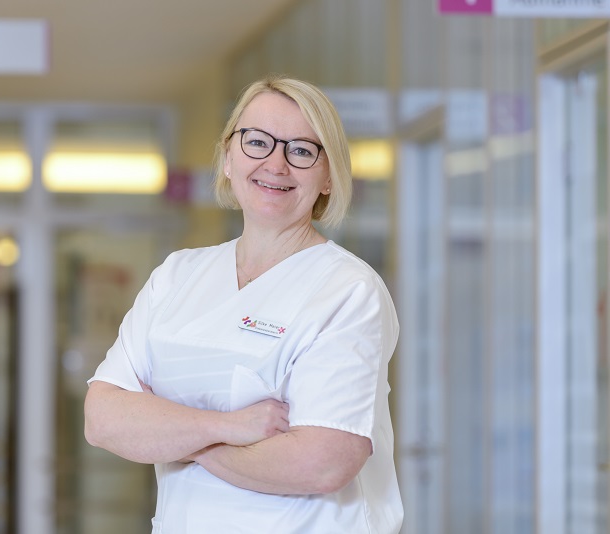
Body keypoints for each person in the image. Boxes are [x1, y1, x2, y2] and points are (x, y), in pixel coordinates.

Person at [84, 75, 402, 533]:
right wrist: (228, 427)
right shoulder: (177, 276)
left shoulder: (348, 291)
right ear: (228, 158)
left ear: (329, 175)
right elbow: (103, 418)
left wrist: (173, 435)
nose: (276, 164)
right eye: (257, 142)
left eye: (301, 150)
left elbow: (322, 463)